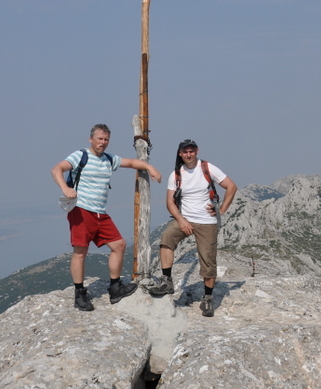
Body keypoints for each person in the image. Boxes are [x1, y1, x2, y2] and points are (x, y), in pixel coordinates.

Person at [51, 123, 161, 311]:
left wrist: (150, 168)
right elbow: (57, 169)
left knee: (119, 245)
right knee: (80, 252)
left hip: (100, 212)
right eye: (99, 139)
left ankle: (115, 288)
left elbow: (132, 163)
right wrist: (65, 188)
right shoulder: (80, 156)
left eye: (106, 140)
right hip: (81, 210)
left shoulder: (109, 159)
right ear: (91, 139)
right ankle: (79, 294)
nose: (103, 143)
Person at [147, 139, 237, 317]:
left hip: (207, 221)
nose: (189, 155)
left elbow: (231, 186)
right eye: (185, 152)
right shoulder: (176, 175)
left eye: (191, 151)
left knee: (208, 260)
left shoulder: (207, 168)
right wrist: (181, 221)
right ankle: (167, 281)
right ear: (180, 154)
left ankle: (208, 299)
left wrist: (222, 210)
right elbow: (170, 202)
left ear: (197, 151)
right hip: (185, 219)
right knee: (166, 238)